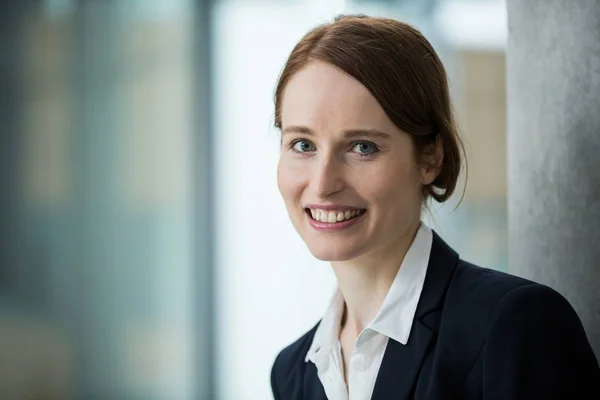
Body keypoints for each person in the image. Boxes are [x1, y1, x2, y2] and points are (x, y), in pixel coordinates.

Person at [269, 14, 600, 400]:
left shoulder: (516, 327)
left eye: (363, 147)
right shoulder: (292, 373)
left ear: (430, 159)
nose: (323, 184)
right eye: (303, 145)